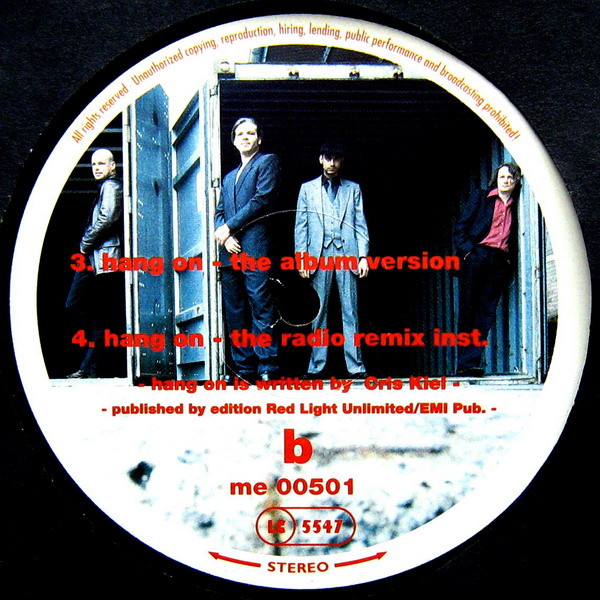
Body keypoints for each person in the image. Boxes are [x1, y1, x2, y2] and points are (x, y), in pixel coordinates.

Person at [294, 142, 369, 379]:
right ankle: (316, 367)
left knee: (350, 311)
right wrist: (302, 258)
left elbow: (360, 224)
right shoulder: (307, 189)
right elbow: (301, 226)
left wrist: (363, 257)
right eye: (328, 158)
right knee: (319, 312)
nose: (332, 164)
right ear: (320, 159)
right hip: (319, 256)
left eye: (336, 159)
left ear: (342, 161)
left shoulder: (353, 189)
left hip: (347, 254)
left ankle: (355, 366)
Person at [214, 117, 281, 382]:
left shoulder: (267, 162)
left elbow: (261, 199)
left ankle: (267, 366)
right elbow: (219, 212)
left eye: (250, 133)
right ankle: (244, 368)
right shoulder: (229, 177)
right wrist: (225, 235)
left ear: (259, 139)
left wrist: (229, 227)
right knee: (235, 310)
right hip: (230, 251)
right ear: (233, 141)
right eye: (240, 134)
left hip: (255, 247)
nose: (245, 137)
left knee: (260, 304)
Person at [453, 162, 522, 376]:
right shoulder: (481, 197)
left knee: (486, 312)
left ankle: (473, 361)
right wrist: (468, 252)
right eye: (502, 177)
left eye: (510, 178)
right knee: (469, 310)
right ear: (496, 179)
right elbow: (460, 227)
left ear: (516, 181)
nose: (506, 181)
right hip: (477, 256)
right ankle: (464, 364)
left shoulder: (518, 205)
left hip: (498, 262)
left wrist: (508, 262)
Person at [65, 148, 123, 378]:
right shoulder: (103, 187)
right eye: (94, 164)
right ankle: (92, 367)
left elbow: (107, 217)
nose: (97, 168)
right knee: (83, 308)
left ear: (112, 166)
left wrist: (85, 242)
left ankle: (90, 368)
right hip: (96, 257)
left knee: (96, 312)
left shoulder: (111, 186)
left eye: (101, 163)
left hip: (104, 256)